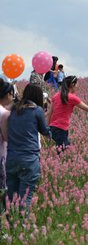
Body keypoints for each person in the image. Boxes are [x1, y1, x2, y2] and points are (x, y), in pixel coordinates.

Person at [6, 84, 51, 216]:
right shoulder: (37, 110)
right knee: (25, 198)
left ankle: (9, 227)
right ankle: (23, 228)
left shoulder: (14, 109)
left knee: (11, 196)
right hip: (29, 159)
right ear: (37, 96)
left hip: (12, 158)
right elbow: (45, 132)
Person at [47, 76, 88, 150]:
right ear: (72, 85)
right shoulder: (72, 98)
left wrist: (48, 128)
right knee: (62, 150)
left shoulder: (56, 96)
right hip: (61, 129)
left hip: (53, 128)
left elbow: (49, 113)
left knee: (62, 148)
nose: (78, 86)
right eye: (77, 84)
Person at [0, 79, 15, 217]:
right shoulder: (4, 113)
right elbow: (6, 136)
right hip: (1, 155)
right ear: (7, 94)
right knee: (2, 190)